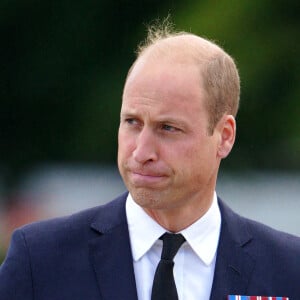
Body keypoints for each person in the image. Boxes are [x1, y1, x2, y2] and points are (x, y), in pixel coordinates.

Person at [0, 21, 299, 300]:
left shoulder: (288, 269)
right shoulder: (39, 260)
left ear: (224, 136)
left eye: (168, 128)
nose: (141, 152)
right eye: (132, 122)